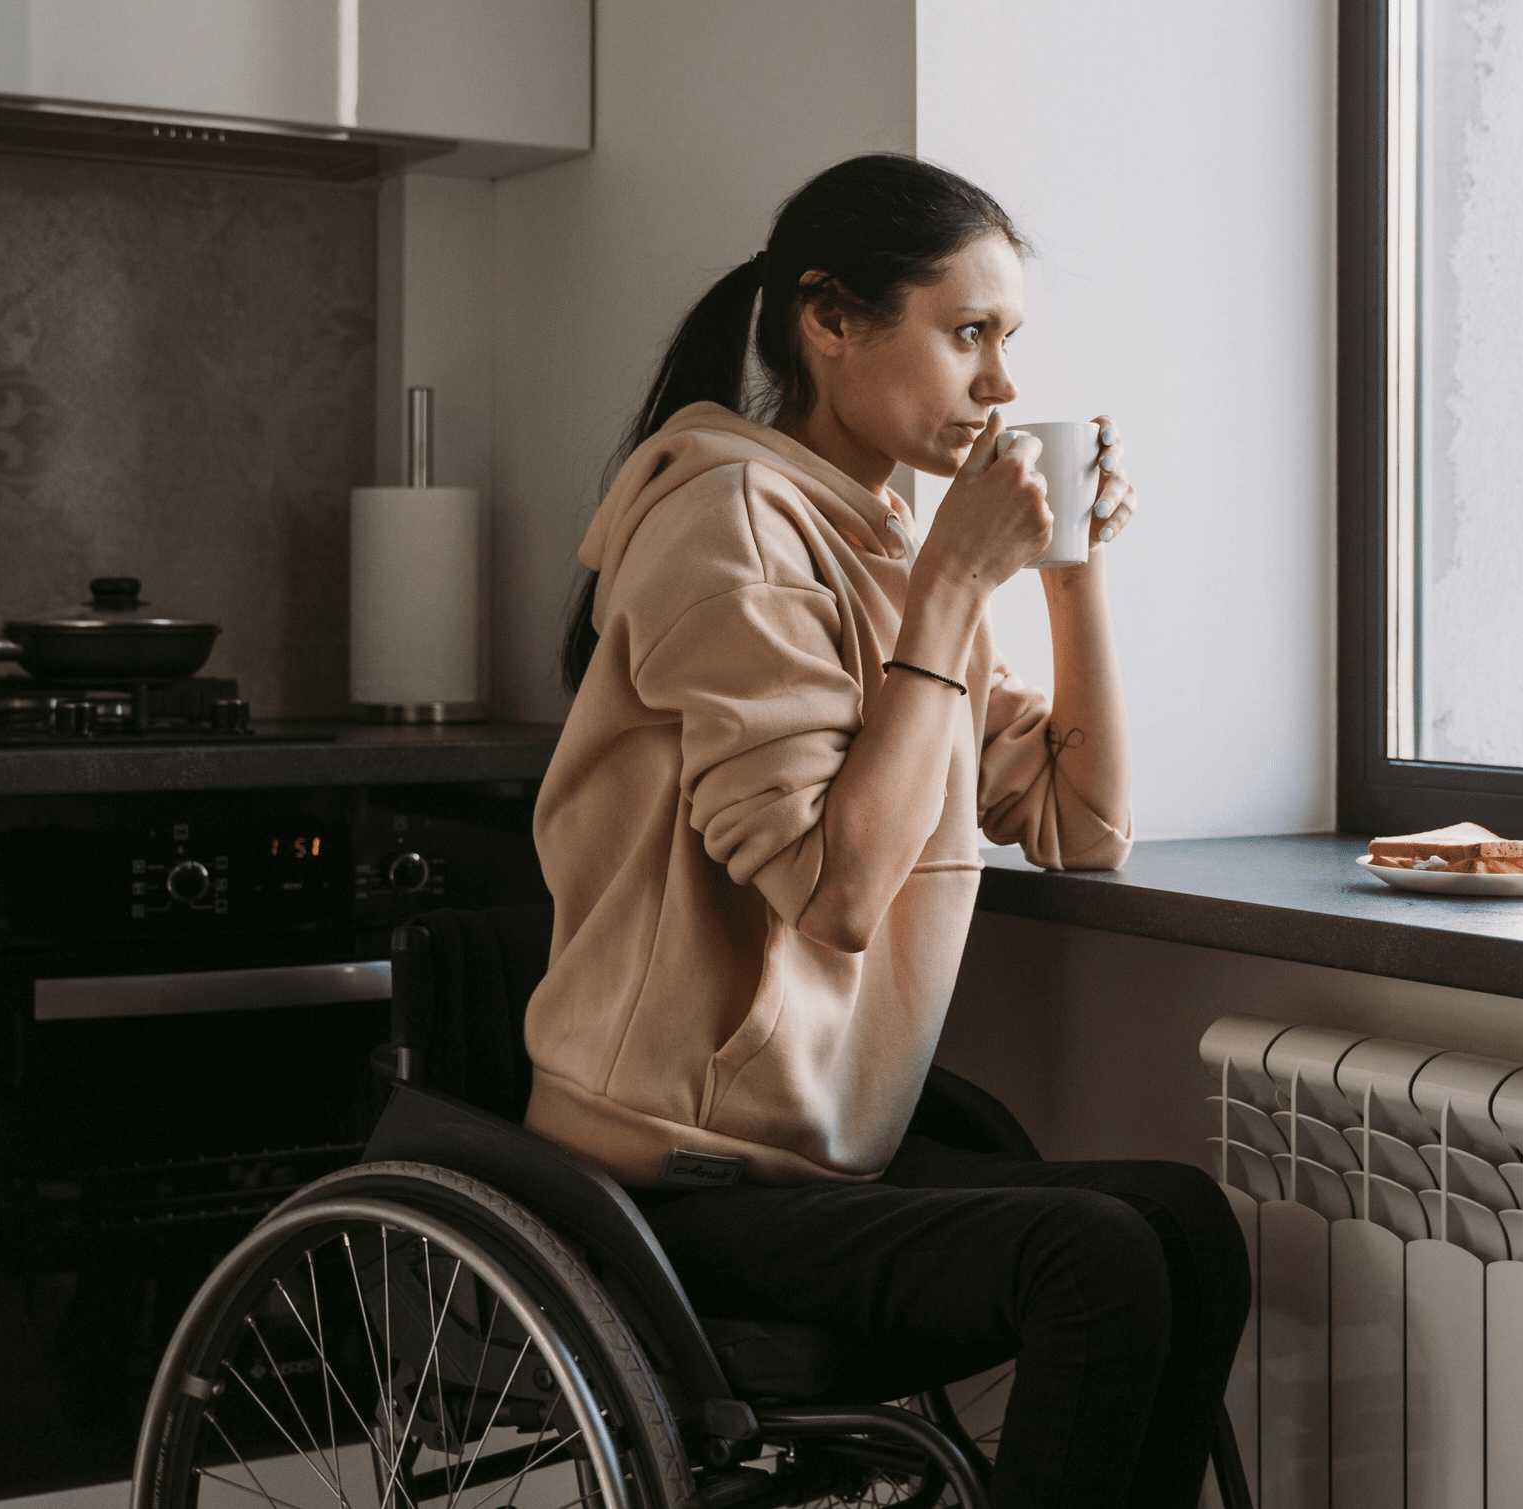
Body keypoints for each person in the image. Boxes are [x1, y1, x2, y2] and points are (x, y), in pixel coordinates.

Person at [527, 153, 1250, 1509]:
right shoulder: (725, 521)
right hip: (671, 1167)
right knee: (1090, 1257)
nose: (997, 386)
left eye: (1007, 341)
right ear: (830, 319)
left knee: (1182, 1223)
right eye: (965, 332)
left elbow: (1082, 826)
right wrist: (951, 587)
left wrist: (1067, 578)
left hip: (815, 1140)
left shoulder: (886, 546)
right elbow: (837, 895)